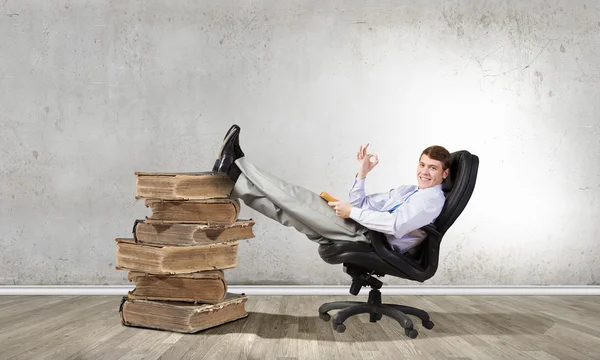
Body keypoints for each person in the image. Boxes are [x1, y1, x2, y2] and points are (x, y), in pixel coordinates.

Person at [212, 124, 450, 255]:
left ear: (444, 173)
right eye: (422, 164)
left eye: (433, 168)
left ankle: (237, 166)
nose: (424, 172)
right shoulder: (408, 191)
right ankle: (238, 183)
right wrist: (362, 173)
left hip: (369, 237)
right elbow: (362, 205)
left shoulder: (431, 200)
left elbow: (395, 225)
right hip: (361, 227)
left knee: (297, 198)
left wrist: (351, 214)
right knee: (288, 214)